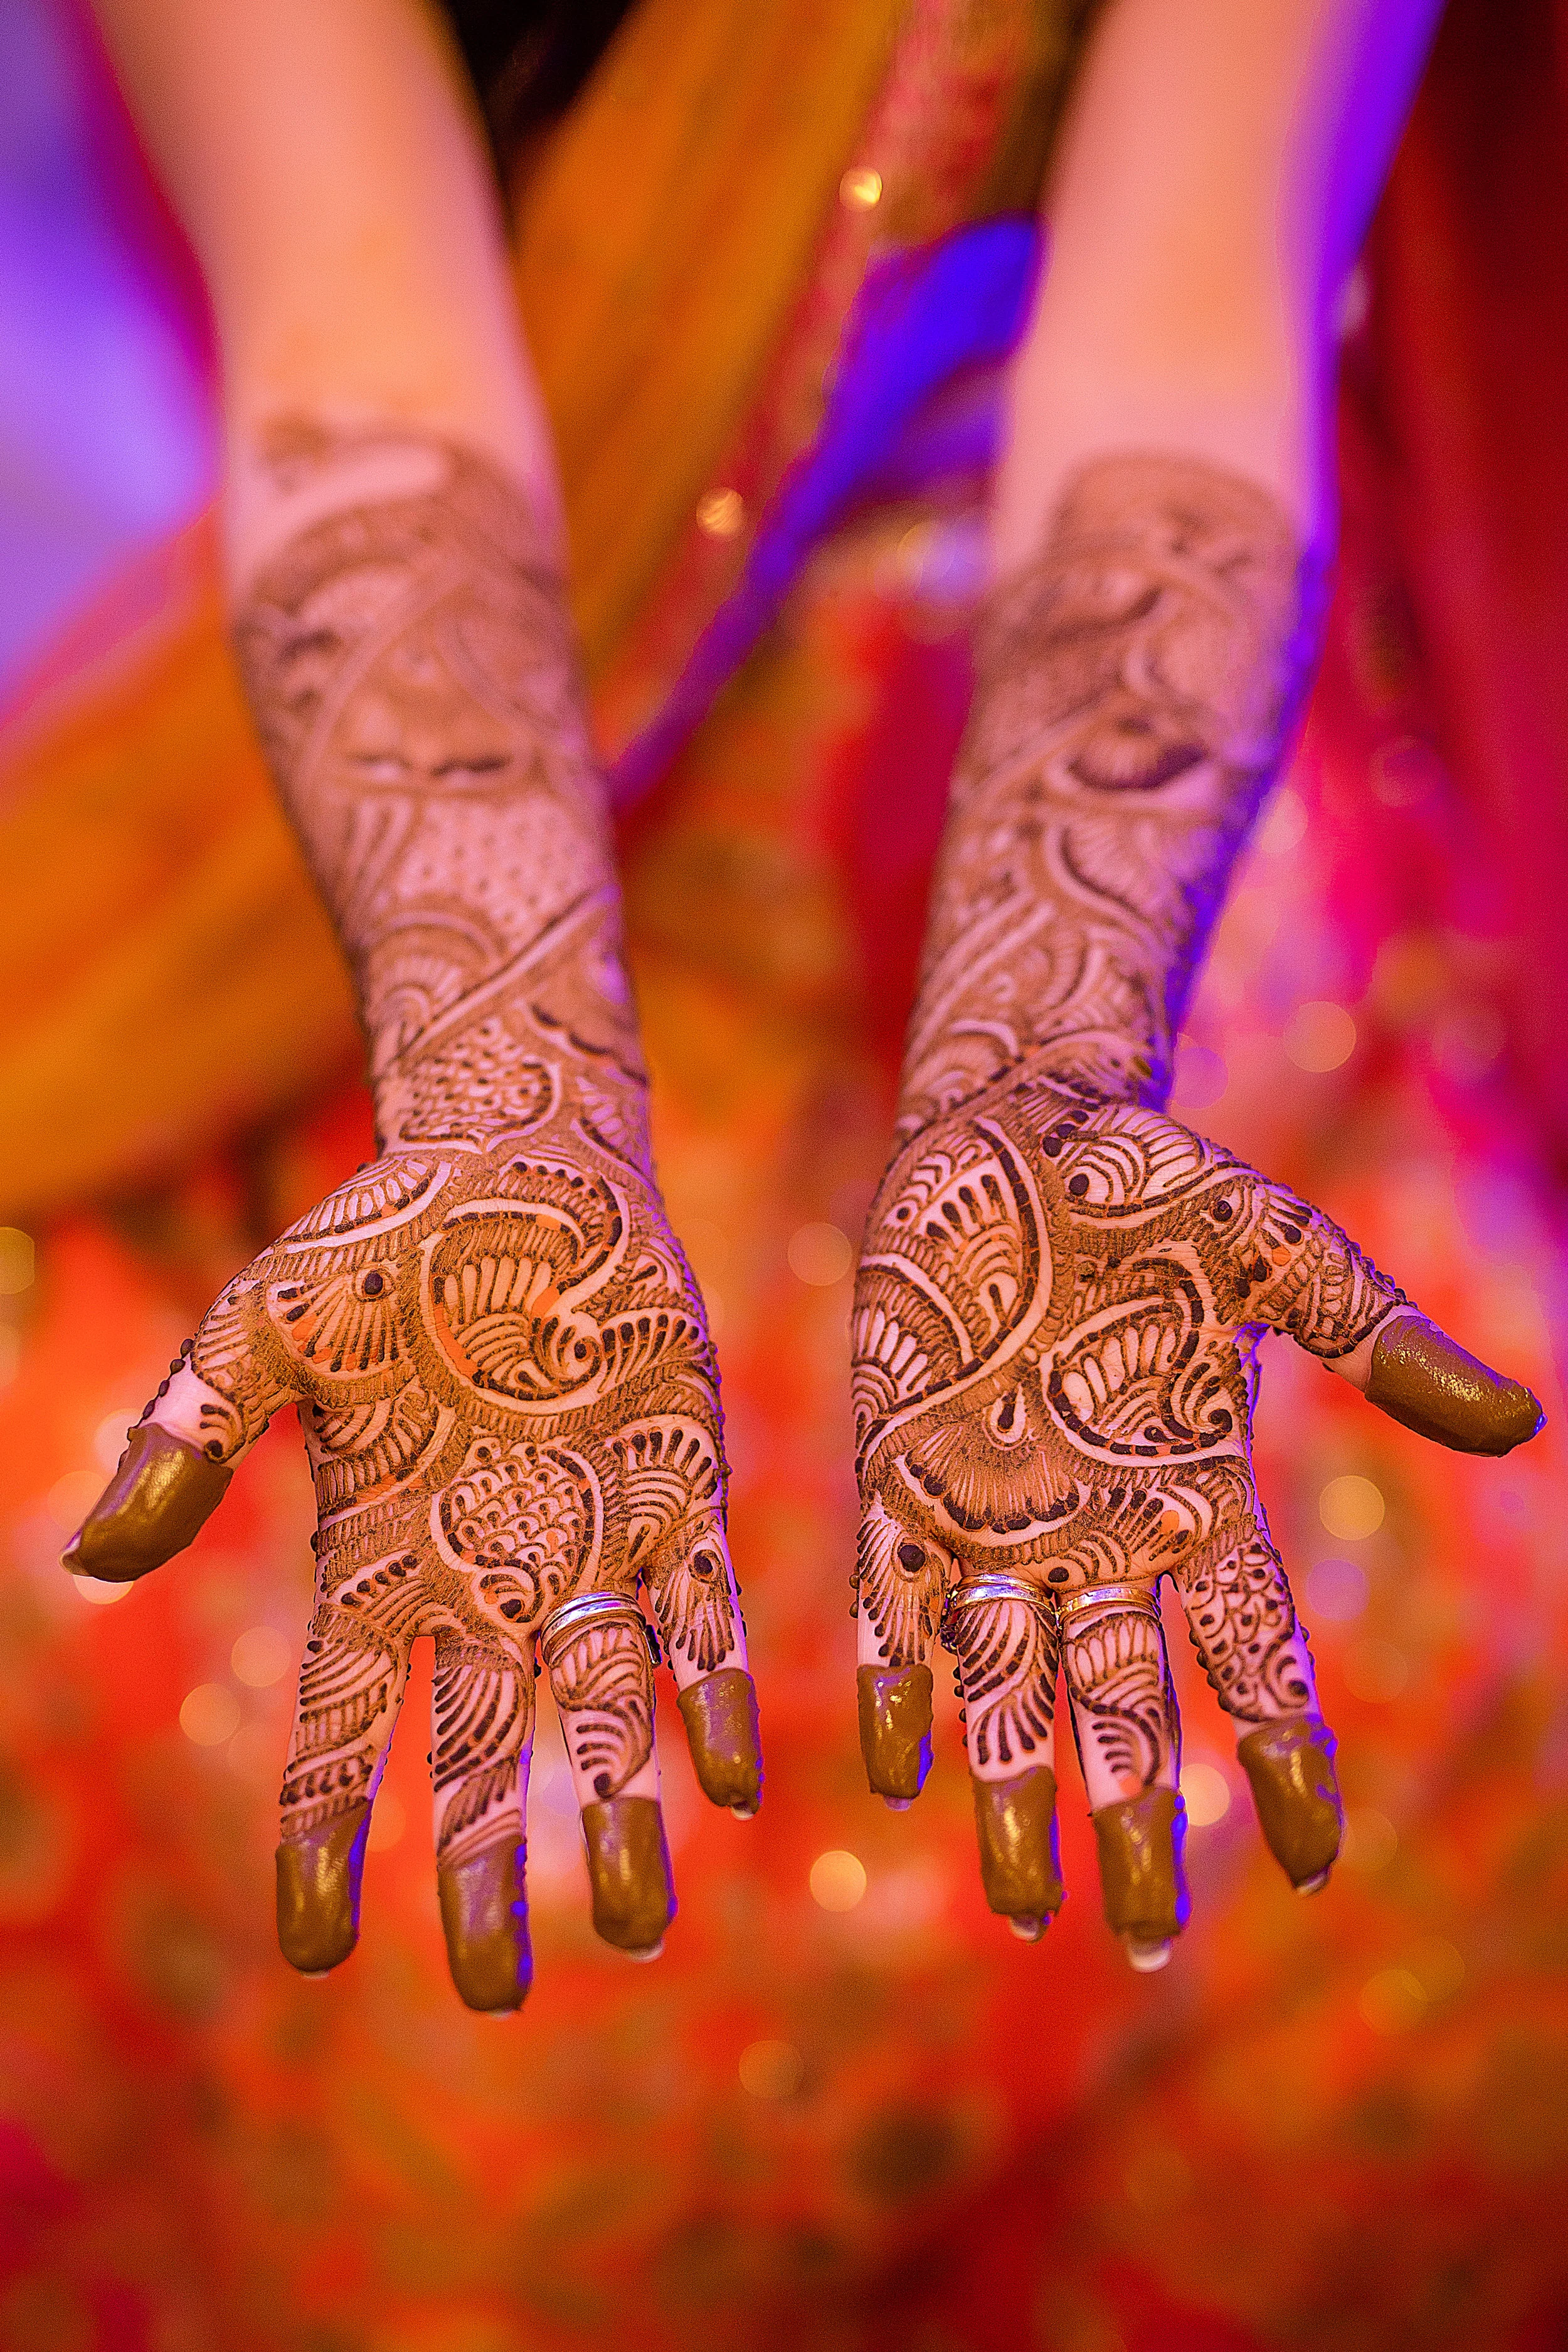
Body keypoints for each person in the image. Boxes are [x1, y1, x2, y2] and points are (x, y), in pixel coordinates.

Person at [66, 0, 1542, 2010]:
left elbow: (1188, 326)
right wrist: (510, 1156)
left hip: (1104, 806)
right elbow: (368, 371)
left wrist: (1040, 1124)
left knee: (1390, 1777)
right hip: (486, 767)